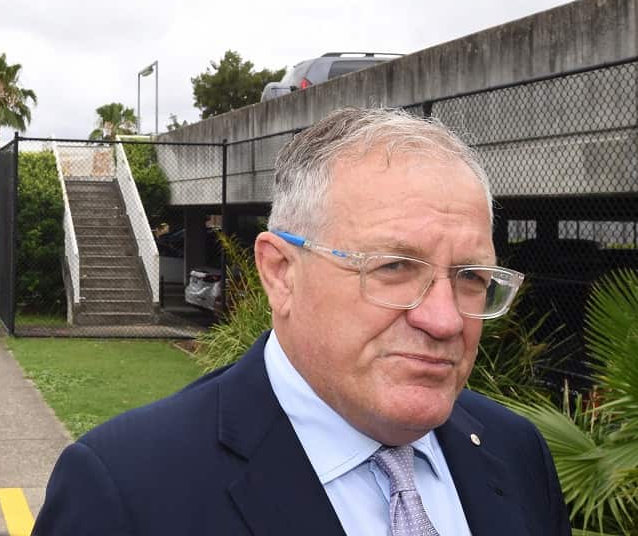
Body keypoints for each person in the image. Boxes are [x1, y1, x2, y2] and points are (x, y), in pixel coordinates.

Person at [32, 107, 569, 535]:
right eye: (394, 267)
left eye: (471, 275)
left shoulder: (515, 451)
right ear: (281, 273)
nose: (445, 319)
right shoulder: (127, 491)